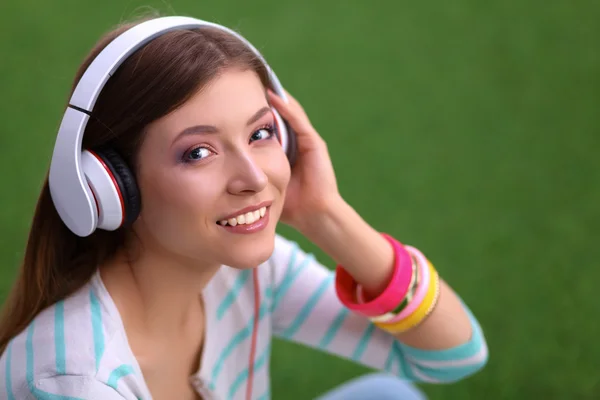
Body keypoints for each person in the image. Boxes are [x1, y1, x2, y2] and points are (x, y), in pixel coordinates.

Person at [0, 14, 487, 400]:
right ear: (109, 186)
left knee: (387, 395)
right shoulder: (70, 381)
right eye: (198, 152)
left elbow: (454, 355)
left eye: (260, 134)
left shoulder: (250, 272)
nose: (255, 179)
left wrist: (326, 214)